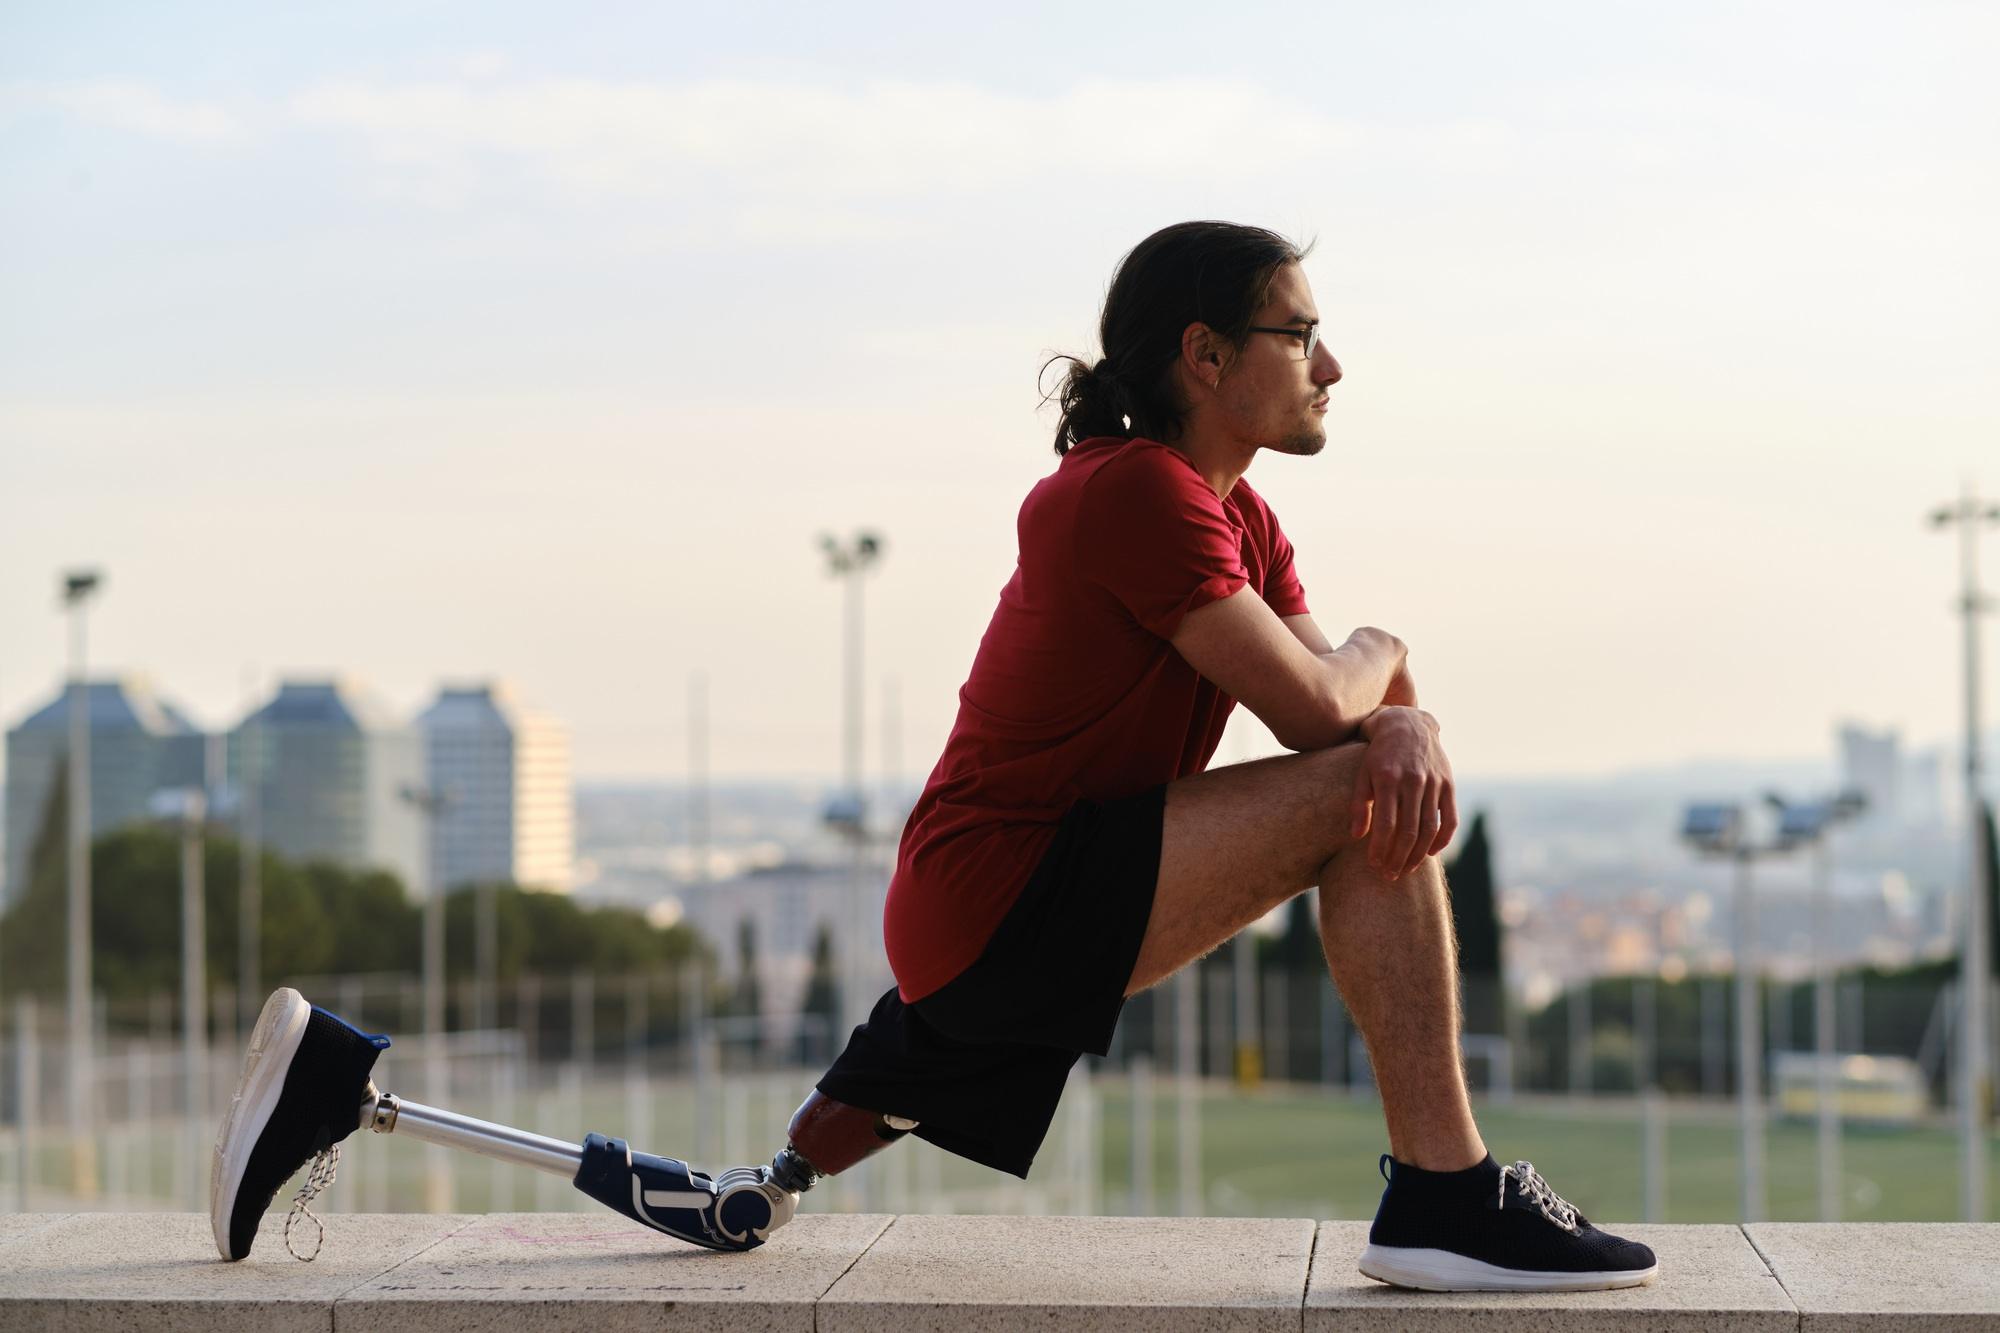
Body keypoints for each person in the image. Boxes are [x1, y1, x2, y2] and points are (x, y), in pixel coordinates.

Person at [213, 220, 1657, 1292]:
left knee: (1373, 789)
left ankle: (333, 1081)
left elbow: (1335, 700)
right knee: (1362, 797)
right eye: (1299, 332)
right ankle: (1445, 1193)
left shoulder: (1235, 515)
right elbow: (1324, 717)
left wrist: (1384, 702)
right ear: (1204, 357)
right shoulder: (1136, 494)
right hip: (1007, 891)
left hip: (1024, 892)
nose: (1331, 362)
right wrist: (1395, 664)